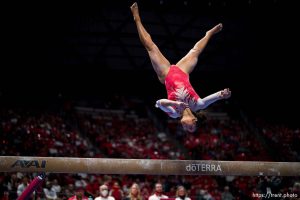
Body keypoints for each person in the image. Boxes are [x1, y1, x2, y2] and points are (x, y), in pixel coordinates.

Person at [130, 2, 231, 132]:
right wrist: (223, 94)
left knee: (150, 46)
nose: (185, 127)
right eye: (190, 127)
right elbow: (215, 97)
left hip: (166, 74)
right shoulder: (198, 104)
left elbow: (159, 103)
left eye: (186, 128)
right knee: (195, 51)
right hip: (182, 72)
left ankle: (136, 18)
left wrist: (175, 103)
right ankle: (209, 34)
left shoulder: (174, 113)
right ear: (194, 120)